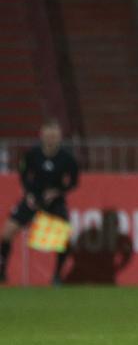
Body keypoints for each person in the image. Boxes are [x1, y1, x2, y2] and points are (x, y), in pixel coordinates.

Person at [0, 119, 79, 285]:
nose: (51, 139)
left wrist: (58, 192)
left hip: (54, 202)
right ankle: (2, 272)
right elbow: (23, 175)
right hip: (33, 199)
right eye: (48, 135)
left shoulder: (67, 158)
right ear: (42, 135)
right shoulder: (32, 154)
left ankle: (57, 276)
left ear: (59, 137)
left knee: (64, 239)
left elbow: (74, 182)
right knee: (7, 232)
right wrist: (28, 194)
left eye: (54, 136)